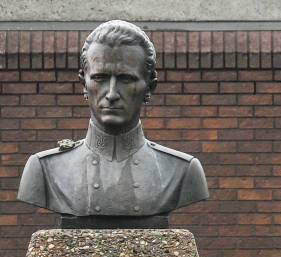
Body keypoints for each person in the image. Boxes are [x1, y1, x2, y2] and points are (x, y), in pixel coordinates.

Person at [17, 20, 208, 219]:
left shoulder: (181, 171)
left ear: (150, 86)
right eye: (100, 78)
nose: (112, 93)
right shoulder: (45, 169)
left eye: (126, 79)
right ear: (84, 83)